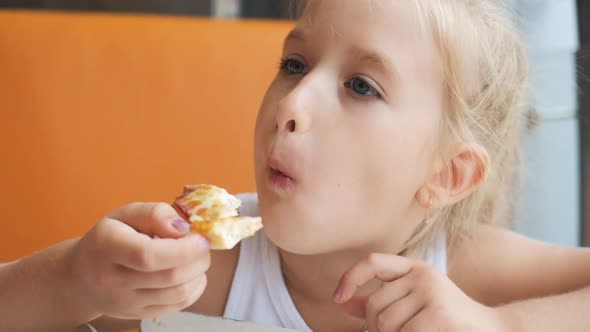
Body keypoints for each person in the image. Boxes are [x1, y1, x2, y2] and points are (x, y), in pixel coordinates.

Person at [2, 1, 590, 331]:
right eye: (293, 64)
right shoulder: (211, 272)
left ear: (445, 175)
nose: (292, 104)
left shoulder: (466, 271)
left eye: (361, 85)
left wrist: (500, 327)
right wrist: (72, 280)